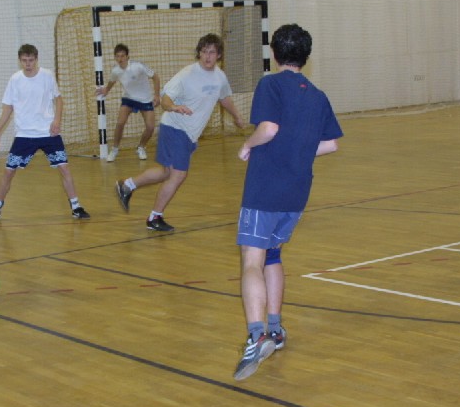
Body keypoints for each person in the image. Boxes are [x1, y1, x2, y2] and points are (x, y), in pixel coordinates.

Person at [232, 24, 342, 381]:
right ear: (306, 57)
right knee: (273, 255)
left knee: (252, 259)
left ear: (274, 53)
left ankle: (256, 335)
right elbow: (330, 145)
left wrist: (248, 144)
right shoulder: (318, 95)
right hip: (297, 192)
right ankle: (276, 329)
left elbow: (268, 129)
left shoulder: (271, 85)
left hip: (265, 188)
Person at [115, 33, 244, 232]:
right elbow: (166, 99)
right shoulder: (187, 74)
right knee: (178, 174)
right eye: (204, 52)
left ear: (219, 55)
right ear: (199, 53)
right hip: (175, 128)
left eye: (212, 52)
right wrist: (174, 107)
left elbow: (224, 97)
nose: (207, 56)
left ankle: (127, 185)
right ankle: (154, 217)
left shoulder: (220, 77)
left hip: (189, 134)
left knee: (166, 172)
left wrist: (236, 116)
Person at [0, 44, 90, 223]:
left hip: (48, 133)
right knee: (8, 172)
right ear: (20, 60)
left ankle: (76, 207)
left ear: (36, 59)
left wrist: (56, 121)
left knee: (64, 168)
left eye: (31, 60)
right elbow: (8, 108)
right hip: (24, 134)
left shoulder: (47, 76)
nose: (28, 64)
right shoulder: (15, 80)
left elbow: (59, 100)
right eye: (24, 60)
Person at [96, 44, 161, 161]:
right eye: (117, 56)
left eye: (122, 56)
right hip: (128, 99)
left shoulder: (138, 66)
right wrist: (106, 89)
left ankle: (141, 147)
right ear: (115, 57)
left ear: (127, 56)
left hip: (145, 99)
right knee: (120, 123)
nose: (120, 59)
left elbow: (155, 77)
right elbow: (112, 81)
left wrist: (156, 95)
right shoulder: (115, 71)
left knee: (150, 127)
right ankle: (114, 149)